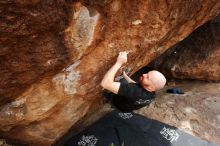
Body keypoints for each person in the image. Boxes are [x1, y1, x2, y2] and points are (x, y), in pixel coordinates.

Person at [101, 52, 166, 112]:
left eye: (147, 77)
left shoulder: (133, 91)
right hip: (127, 107)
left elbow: (105, 84)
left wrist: (119, 63)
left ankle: (107, 98)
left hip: (117, 104)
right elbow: (136, 85)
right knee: (123, 80)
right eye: (147, 73)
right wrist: (125, 76)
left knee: (117, 81)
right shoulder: (152, 94)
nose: (144, 74)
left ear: (151, 87)